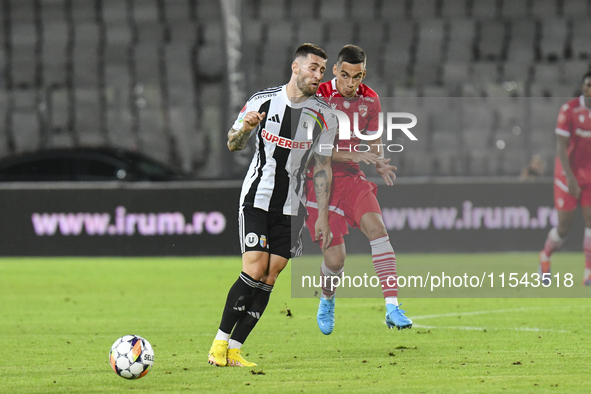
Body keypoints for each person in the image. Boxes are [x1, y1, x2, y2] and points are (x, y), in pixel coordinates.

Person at [207, 43, 338, 367]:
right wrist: (247, 129)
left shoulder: (325, 116)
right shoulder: (262, 100)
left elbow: (322, 167)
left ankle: (235, 349)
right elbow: (233, 142)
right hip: (257, 198)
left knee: (270, 275)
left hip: (292, 206)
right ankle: (218, 344)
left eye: (322, 70)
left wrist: (322, 216)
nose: (318, 75)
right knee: (254, 268)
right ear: (295, 68)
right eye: (313, 68)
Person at [305, 45, 412, 335]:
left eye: (357, 76)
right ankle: (327, 298)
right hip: (319, 180)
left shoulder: (371, 100)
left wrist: (378, 161)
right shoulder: (318, 96)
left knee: (378, 230)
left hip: (352, 178)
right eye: (345, 75)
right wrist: (352, 155)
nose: (351, 83)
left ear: (363, 73)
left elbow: (373, 141)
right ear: (335, 71)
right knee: (335, 260)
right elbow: (312, 150)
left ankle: (392, 307)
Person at [538, 71, 591, 285]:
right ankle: (545, 256)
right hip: (567, 174)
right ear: (582, 87)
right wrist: (570, 177)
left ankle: (588, 271)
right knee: (564, 227)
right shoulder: (569, 110)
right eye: (588, 84)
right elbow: (561, 145)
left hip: (589, 174)